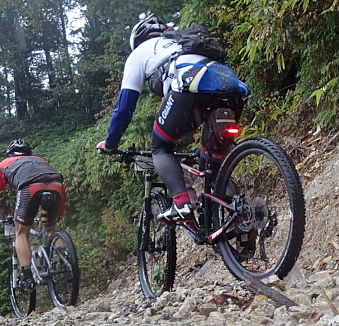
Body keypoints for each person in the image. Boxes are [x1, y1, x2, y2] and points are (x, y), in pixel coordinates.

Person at [97, 14, 249, 223]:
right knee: (212, 167)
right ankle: (243, 222)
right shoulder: (181, 42)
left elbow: (124, 108)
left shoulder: (140, 53)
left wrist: (111, 143)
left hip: (189, 87)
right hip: (231, 90)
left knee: (160, 146)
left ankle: (182, 203)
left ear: (138, 40)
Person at [0, 139, 66, 290]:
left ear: (9, 154)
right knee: (51, 229)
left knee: (21, 233)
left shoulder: (4, 164)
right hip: (57, 186)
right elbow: (53, 183)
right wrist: (58, 214)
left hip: (29, 188)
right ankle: (66, 262)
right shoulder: (40, 160)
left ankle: (27, 277)